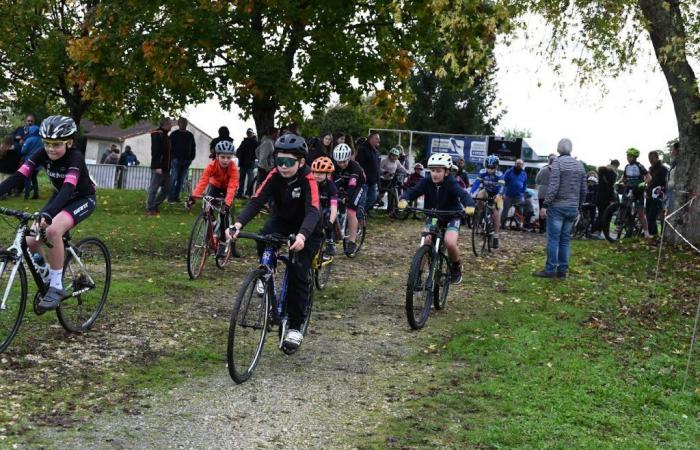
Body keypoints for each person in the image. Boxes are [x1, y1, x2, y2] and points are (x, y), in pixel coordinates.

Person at [227, 133, 321, 350]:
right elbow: (257, 199)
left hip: (308, 227)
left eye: (289, 162)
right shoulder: (274, 176)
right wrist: (238, 224)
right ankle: (267, 270)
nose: (283, 167)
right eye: (279, 161)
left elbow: (314, 209)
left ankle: (295, 327)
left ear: (301, 162)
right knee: (264, 236)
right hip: (282, 220)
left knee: (299, 273)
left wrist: (302, 236)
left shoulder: (308, 178)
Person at [0, 116, 96, 308]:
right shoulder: (41, 153)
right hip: (59, 197)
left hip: (81, 198)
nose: (51, 148)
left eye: (56, 144)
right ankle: (45, 275)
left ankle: (56, 286)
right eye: (47, 143)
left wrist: (49, 214)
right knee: (30, 241)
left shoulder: (75, 157)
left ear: (69, 142)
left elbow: (69, 188)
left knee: (52, 231)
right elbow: (20, 175)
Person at [398, 152, 475, 284]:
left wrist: (469, 205)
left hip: (452, 216)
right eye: (432, 170)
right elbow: (413, 191)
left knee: (450, 242)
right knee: (426, 241)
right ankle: (417, 275)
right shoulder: (427, 181)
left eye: (439, 171)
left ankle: (456, 267)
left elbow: (463, 194)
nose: (435, 174)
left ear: (446, 172)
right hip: (433, 216)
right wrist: (405, 199)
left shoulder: (451, 182)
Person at [533, 138, 586, 279]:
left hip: (557, 207)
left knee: (553, 239)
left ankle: (550, 269)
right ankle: (562, 271)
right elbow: (583, 189)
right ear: (571, 149)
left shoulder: (557, 162)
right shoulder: (579, 165)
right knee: (565, 240)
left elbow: (554, 186)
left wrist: (545, 205)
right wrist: (579, 206)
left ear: (558, 149)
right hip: (572, 208)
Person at [187, 140, 240, 257]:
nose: (226, 160)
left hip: (227, 189)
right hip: (214, 186)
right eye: (223, 157)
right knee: (207, 206)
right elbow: (203, 181)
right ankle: (213, 224)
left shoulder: (233, 169)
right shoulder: (211, 166)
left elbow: (232, 187)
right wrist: (194, 196)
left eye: (228, 157)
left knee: (224, 214)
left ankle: (222, 242)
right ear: (217, 156)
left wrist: (227, 203)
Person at [332, 143, 366, 256]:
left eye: (344, 161)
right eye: (339, 162)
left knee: (351, 210)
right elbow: (331, 183)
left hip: (357, 185)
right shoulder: (334, 166)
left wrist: (347, 198)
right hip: (343, 183)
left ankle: (352, 241)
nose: (342, 164)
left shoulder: (355, 167)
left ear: (349, 158)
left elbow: (352, 187)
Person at [469, 155, 505, 249]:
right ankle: (480, 214)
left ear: (496, 167)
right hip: (487, 191)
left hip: (497, 194)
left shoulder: (499, 174)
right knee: (480, 195)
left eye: (492, 167)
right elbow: (477, 183)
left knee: (496, 213)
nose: (490, 169)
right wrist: (471, 192)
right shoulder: (482, 172)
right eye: (488, 167)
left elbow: (502, 186)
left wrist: (499, 195)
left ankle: (496, 236)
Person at [310, 156, 338, 257]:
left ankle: (330, 242)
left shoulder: (331, 187)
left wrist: (330, 222)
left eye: (321, 173)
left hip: (327, 208)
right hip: (314, 208)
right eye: (315, 172)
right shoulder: (309, 184)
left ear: (327, 174)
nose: (317, 175)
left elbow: (334, 207)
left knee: (327, 215)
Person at [621, 147, 651, 238]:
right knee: (624, 208)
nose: (628, 158)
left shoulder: (639, 166)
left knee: (640, 212)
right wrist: (620, 182)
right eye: (627, 156)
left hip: (638, 189)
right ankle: (625, 226)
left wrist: (644, 183)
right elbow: (624, 178)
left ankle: (646, 233)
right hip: (628, 188)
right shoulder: (626, 167)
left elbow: (649, 177)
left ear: (635, 157)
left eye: (630, 156)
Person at [146, 118, 173, 215]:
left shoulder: (165, 135)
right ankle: (150, 208)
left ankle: (155, 204)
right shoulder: (157, 134)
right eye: (170, 124)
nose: (171, 126)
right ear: (165, 125)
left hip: (166, 167)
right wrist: (157, 166)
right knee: (154, 188)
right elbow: (155, 151)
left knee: (167, 188)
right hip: (159, 167)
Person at [168, 117, 196, 203]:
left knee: (181, 180)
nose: (183, 124)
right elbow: (169, 147)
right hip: (176, 160)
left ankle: (176, 197)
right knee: (174, 178)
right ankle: (170, 197)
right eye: (181, 123)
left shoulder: (190, 135)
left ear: (186, 124)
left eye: (184, 123)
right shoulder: (174, 134)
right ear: (178, 124)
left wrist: (191, 157)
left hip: (186, 161)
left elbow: (193, 147)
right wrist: (173, 157)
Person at [590, 159, 619, 239]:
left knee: (600, 214)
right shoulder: (613, 173)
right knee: (606, 216)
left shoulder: (602, 172)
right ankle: (601, 233)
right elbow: (610, 188)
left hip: (599, 197)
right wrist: (612, 199)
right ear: (616, 165)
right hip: (607, 198)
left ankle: (596, 232)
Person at [356, 133, 381, 214]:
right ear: (371, 139)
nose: (379, 140)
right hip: (364, 181)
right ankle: (358, 217)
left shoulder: (375, 151)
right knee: (362, 201)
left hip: (373, 181)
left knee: (372, 199)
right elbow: (358, 164)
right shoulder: (363, 149)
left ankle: (360, 213)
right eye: (377, 138)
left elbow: (376, 166)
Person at [645, 150, 668, 237]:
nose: (650, 160)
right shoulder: (650, 169)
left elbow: (665, 183)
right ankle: (653, 234)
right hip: (649, 194)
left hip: (658, 195)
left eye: (652, 158)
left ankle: (652, 234)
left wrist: (662, 194)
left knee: (652, 216)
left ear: (657, 158)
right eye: (649, 158)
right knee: (648, 216)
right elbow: (648, 181)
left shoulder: (663, 169)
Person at [501, 158, 528, 229]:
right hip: (508, 195)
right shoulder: (509, 172)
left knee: (519, 211)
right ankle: (502, 224)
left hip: (519, 196)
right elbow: (503, 183)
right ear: (515, 164)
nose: (519, 165)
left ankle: (518, 226)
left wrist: (522, 193)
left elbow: (525, 185)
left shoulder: (524, 174)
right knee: (505, 210)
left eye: (520, 164)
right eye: (517, 163)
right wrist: (503, 193)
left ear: (522, 165)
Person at [20, 125, 44, 199]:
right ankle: (36, 194)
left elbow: (23, 151)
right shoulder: (41, 140)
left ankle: (26, 196)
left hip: (29, 162)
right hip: (38, 163)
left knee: (27, 179)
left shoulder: (29, 140)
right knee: (34, 178)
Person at [535, 154, 556, 233]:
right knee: (551, 211)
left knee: (542, 210)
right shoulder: (557, 171)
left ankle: (541, 229)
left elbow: (537, 180)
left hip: (542, 192)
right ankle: (548, 229)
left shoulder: (543, 169)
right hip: (552, 193)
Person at [235, 128, 258, 198]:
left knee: (250, 180)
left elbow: (257, 152)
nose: (248, 134)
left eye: (250, 133)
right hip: (243, 164)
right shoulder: (244, 142)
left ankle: (248, 193)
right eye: (248, 133)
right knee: (241, 180)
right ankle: (240, 194)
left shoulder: (255, 142)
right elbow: (238, 151)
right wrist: (240, 157)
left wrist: (252, 158)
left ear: (252, 133)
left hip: (250, 164)